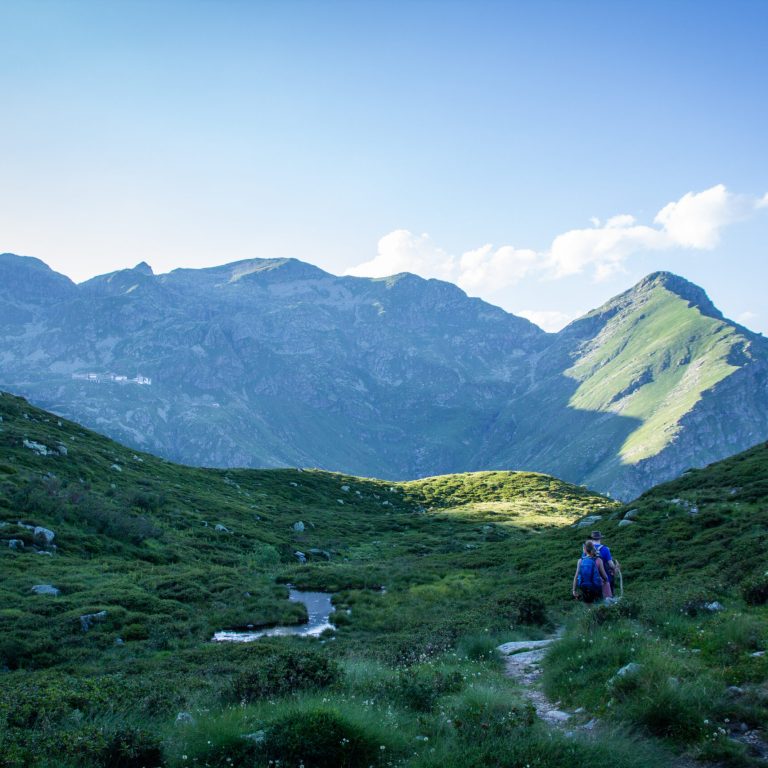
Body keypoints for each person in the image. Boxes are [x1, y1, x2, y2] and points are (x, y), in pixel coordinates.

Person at [590, 530, 619, 598]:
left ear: (592, 539)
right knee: (608, 597)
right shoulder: (605, 549)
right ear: (600, 538)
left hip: (591, 578)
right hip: (605, 577)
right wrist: (616, 568)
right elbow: (611, 564)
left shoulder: (587, 549)